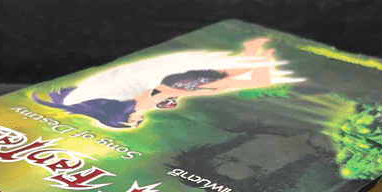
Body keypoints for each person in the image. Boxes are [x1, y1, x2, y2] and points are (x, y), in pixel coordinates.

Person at [33, 37, 304, 129]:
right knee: (245, 77)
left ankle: (259, 50)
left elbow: (163, 91)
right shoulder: (133, 104)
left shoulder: (134, 102)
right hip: (180, 82)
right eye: (136, 122)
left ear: (124, 115)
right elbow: (163, 94)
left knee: (247, 77)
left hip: (178, 81)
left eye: (132, 121)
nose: (138, 120)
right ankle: (257, 50)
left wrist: (203, 90)